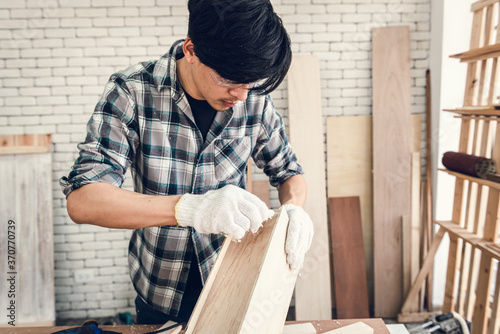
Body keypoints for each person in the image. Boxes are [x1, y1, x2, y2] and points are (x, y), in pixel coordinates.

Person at [60, 0, 314, 325]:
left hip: (234, 283)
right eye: (229, 80)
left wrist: (295, 208)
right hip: (159, 288)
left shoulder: (254, 103)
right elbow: (82, 201)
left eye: (250, 85)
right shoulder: (132, 92)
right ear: (191, 49)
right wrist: (190, 209)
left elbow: (289, 172)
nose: (241, 96)